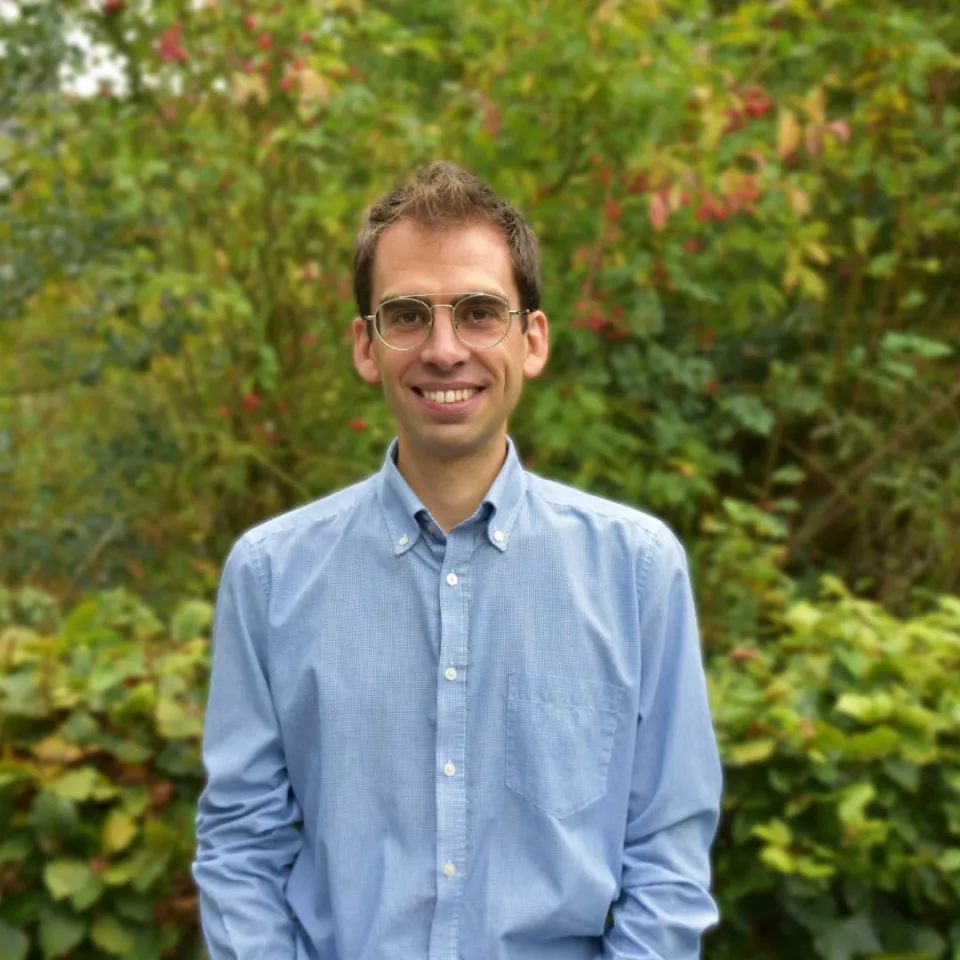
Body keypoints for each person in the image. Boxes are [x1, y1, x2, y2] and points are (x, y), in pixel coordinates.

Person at [193, 161, 722, 960]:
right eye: (406, 315)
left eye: (479, 312)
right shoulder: (269, 576)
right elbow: (241, 850)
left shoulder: (638, 571)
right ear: (366, 348)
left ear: (531, 340)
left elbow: (668, 862)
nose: (444, 350)